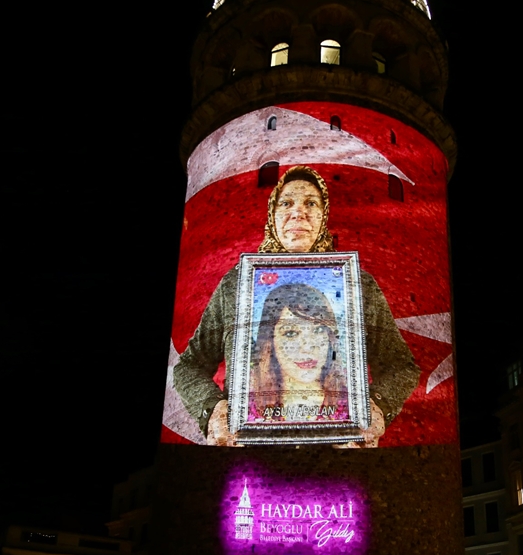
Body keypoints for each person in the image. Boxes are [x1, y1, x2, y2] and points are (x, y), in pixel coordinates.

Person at [174, 166, 420, 447]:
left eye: (311, 203)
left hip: (340, 459)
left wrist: (377, 408)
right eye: (287, 203)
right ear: (273, 213)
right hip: (249, 460)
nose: (298, 213)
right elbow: (189, 366)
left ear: (323, 214)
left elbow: (401, 366)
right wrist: (213, 411)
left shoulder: (356, 285)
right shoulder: (238, 285)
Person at [249, 281, 348, 423]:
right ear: (270, 341)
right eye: (291, 333)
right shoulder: (248, 407)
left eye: (318, 330)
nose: (307, 347)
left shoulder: (352, 404)